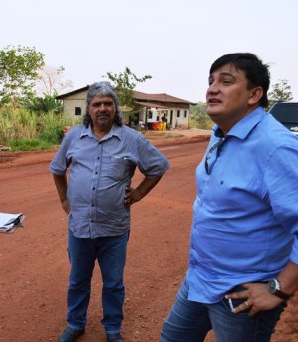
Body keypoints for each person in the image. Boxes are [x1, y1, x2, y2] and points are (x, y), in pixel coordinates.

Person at [161, 53, 298, 342]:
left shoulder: (277, 147)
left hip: (242, 291)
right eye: (210, 81)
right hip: (200, 277)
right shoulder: (221, 133)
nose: (212, 88)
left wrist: (279, 288)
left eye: (226, 81)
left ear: (254, 94)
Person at [49, 81, 170, 342]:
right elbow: (58, 169)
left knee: (114, 283)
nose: (102, 108)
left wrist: (138, 193)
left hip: (114, 228)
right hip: (80, 225)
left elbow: (158, 166)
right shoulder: (73, 137)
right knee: (78, 281)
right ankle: (75, 323)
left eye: (108, 103)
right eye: (97, 104)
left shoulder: (133, 139)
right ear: (89, 108)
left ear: (115, 108)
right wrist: (64, 201)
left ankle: (112, 328)